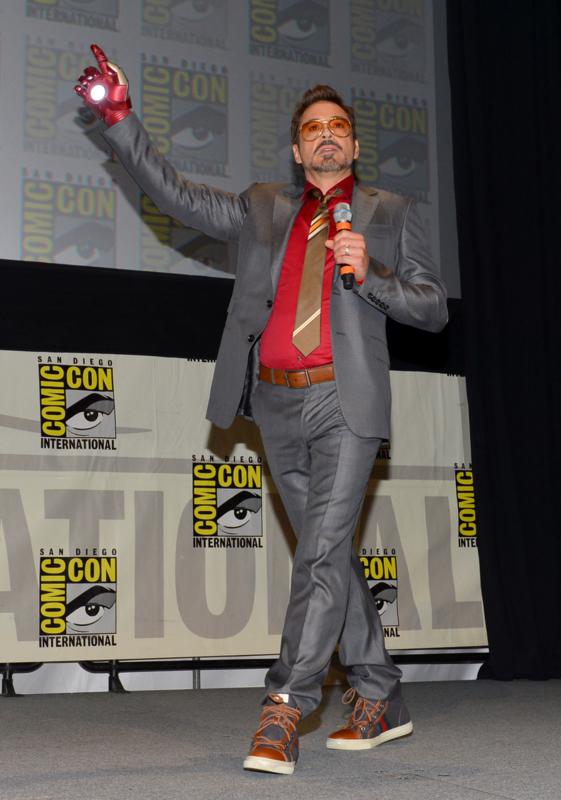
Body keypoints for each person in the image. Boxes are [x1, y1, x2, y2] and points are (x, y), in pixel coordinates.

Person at [76, 45, 448, 776]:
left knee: (319, 552)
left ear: (354, 146)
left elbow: (432, 308)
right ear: (296, 149)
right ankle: (379, 693)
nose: (326, 135)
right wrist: (119, 119)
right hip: (274, 401)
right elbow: (177, 198)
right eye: (313, 128)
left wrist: (370, 273)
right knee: (327, 552)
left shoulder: (392, 213)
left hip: (346, 400)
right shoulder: (262, 207)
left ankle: (285, 704)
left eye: (338, 126)